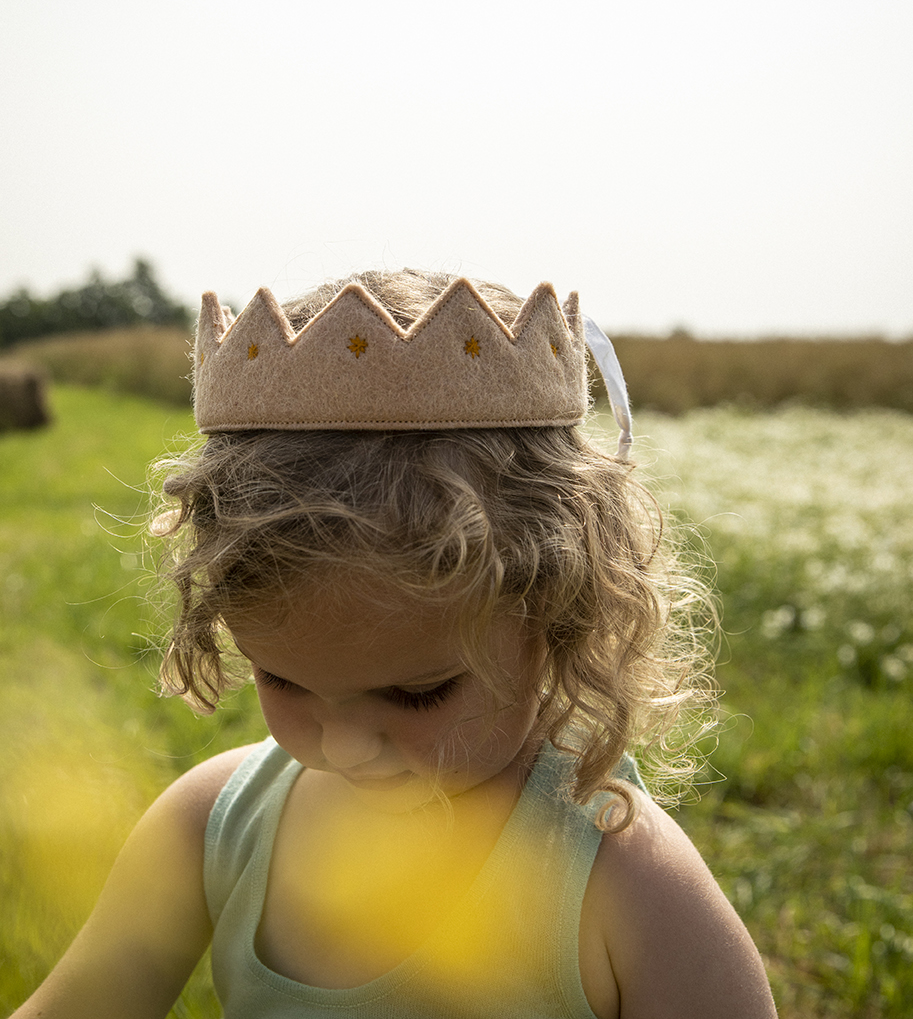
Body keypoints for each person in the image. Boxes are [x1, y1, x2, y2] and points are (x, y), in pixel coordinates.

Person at [14, 269, 778, 1019]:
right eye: (281, 680)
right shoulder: (213, 828)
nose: (343, 745)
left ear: (559, 616)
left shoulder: (620, 878)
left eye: (416, 693)